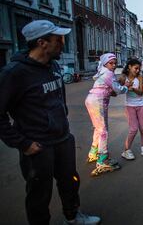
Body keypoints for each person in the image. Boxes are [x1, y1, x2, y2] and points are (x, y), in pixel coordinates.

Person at [0, 20, 100, 224]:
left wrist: (63, 125)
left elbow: (58, 100)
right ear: (42, 43)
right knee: (39, 194)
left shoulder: (53, 65)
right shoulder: (15, 73)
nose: (63, 43)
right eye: (58, 40)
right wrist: (23, 144)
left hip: (62, 139)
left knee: (70, 182)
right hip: (37, 147)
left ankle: (73, 217)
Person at [85, 53, 130, 176]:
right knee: (103, 130)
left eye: (115, 63)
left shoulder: (103, 73)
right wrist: (125, 87)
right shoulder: (108, 74)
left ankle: (93, 152)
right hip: (97, 101)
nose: (114, 65)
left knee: (99, 129)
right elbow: (117, 89)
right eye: (111, 63)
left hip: (95, 101)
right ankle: (102, 160)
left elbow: (110, 90)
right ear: (105, 63)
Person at [119, 59, 143, 159]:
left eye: (139, 69)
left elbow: (141, 92)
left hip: (140, 105)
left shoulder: (140, 76)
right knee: (133, 129)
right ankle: (126, 150)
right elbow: (117, 90)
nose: (137, 70)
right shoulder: (123, 77)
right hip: (129, 106)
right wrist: (125, 87)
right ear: (129, 67)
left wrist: (133, 89)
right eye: (135, 68)